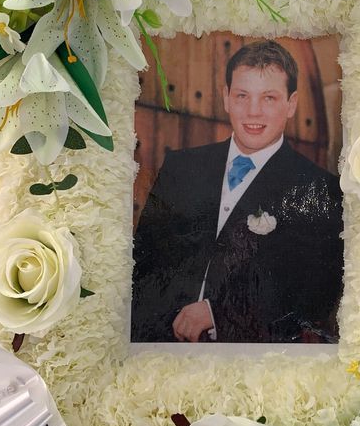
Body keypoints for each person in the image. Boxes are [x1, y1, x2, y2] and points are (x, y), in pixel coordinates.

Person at [131, 40, 344, 343]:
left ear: (291, 104)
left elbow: (313, 298)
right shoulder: (182, 167)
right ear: (226, 98)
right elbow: (143, 266)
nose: (253, 111)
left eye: (269, 98)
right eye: (242, 95)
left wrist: (218, 314)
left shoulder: (320, 190)